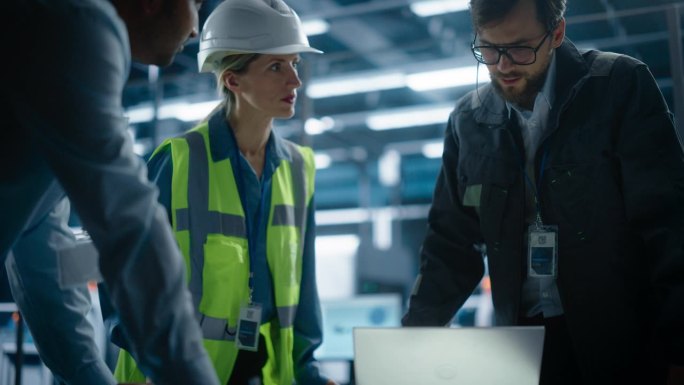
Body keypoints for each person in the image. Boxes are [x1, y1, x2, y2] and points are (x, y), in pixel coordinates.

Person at [402, 0, 684, 384]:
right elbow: (450, 247)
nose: (502, 65)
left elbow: (669, 228)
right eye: (488, 48)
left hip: (623, 344)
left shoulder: (618, 86)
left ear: (557, 33)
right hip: (524, 353)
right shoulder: (469, 123)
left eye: (519, 48)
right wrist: (411, 345)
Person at [112, 0, 338, 384]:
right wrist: (156, 360)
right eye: (275, 66)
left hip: (266, 372)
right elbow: (124, 277)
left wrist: (309, 372)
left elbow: (304, 291)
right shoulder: (178, 161)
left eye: (295, 65)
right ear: (233, 80)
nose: (294, 81)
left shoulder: (299, 169)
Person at [1, 0, 221, 384]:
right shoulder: (78, 25)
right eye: (195, 5)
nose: (194, 30)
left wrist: (93, 377)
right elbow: (133, 231)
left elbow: (39, 245)